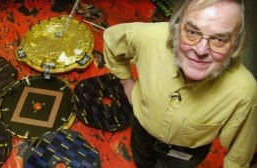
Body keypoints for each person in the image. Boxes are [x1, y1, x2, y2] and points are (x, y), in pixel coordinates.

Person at [103, 0, 257, 167]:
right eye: (192, 31)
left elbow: (238, 158)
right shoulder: (149, 38)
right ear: (176, 28)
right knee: (141, 162)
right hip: (141, 131)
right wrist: (126, 82)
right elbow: (112, 40)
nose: (200, 50)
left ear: (234, 46)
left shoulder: (244, 91)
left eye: (219, 39)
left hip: (185, 155)